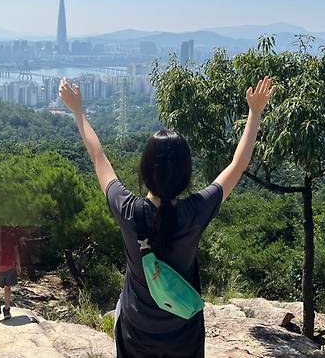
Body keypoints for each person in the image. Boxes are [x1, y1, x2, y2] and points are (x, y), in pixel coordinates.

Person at [59, 76, 273, 357]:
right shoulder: (195, 211)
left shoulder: (128, 210)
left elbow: (98, 156)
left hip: (136, 331)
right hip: (183, 332)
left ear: (144, 172)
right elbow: (238, 164)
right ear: (186, 176)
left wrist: (78, 111)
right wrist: (254, 113)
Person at [0, 226, 21, 319]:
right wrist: (18, 265)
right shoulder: (11, 236)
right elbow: (16, 252)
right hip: (9, 265)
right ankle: (6, 309)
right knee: (7, 288)